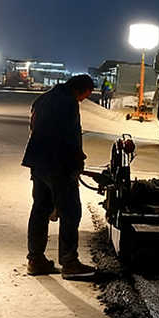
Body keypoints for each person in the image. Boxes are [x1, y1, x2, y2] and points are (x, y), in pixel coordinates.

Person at [22, 74, 96, 279]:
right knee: (71, 212)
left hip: (38, 162)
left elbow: (33, 126)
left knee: (40, 210)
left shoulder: (44, 98)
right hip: (59, 165)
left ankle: (35, 261)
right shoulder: (68, 103)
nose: (84, 99)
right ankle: (70, 263)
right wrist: (78, 161)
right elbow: (70, 134)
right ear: (83, 90)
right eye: (86, 95)